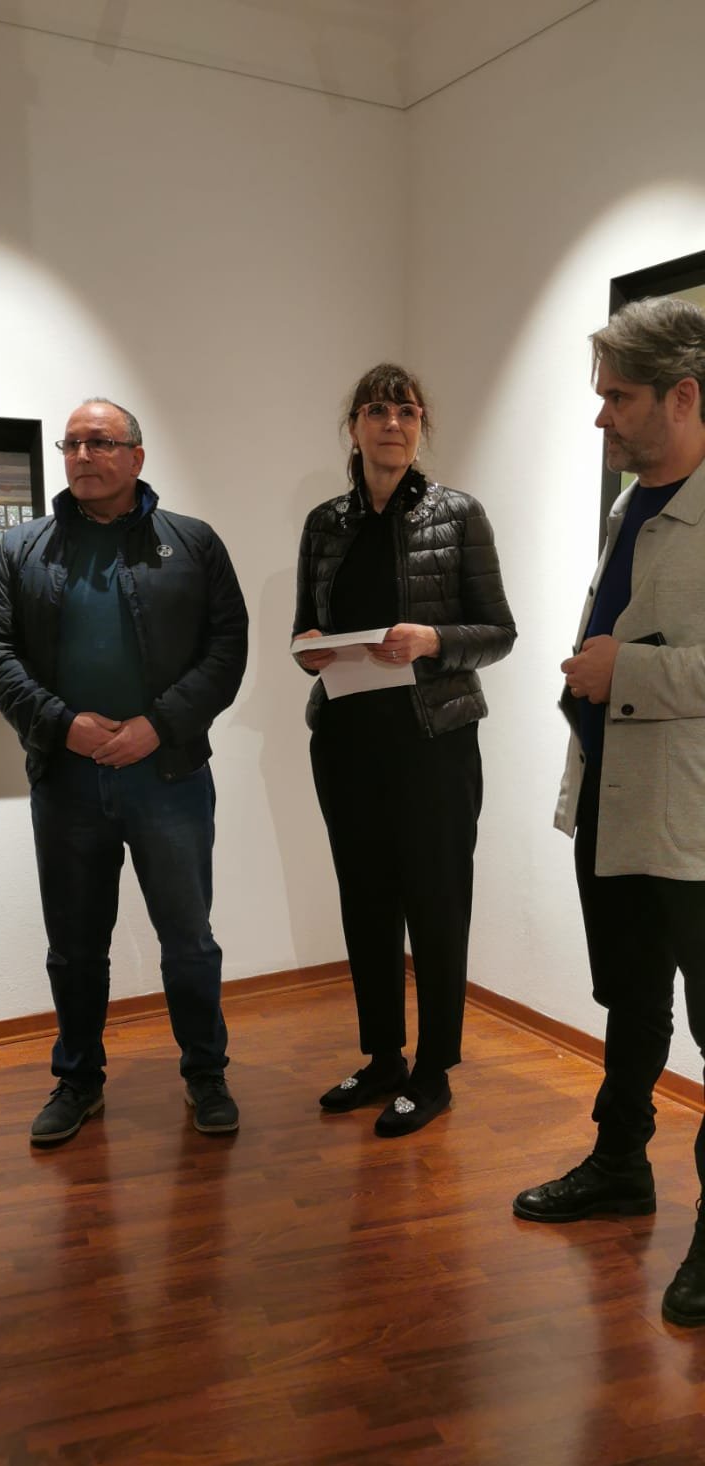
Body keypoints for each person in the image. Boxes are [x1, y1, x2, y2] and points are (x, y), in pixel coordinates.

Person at [0, 398, 248, 1144]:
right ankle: (78, 1082)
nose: (82, 456)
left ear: (136, 455)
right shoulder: (24, 548)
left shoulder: (192, 543)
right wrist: (63, 725)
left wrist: (157, 726)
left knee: (188, 940)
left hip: (170, 777)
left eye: (99, 442)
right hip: (66, 780)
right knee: (74, 946)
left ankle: (206, 1074)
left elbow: (227, 646)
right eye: (71, 444)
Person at [512, 295, 705, 1328]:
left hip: (690, 823)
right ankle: (620, 1163)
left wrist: (621, 669)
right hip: (613, 800)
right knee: (631, 997)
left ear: (683, 397)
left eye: (618, 398)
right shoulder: (631, 504)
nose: (601, 418)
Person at [292, 362, 516, 1136]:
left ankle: (434, 1071)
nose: (393, 423)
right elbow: (305, 630)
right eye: (378, 410)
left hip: (433, 743)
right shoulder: (325, 524)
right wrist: (311, 649)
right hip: (346, 743)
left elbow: (498, 632)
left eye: (408, 412)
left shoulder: (459, 514)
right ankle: (384, 1058)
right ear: (354, 426)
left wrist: (432, 640)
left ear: (421, 428)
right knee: (366, 903)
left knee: (438, 904)